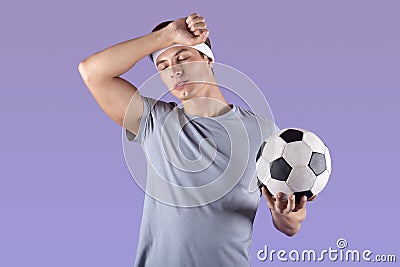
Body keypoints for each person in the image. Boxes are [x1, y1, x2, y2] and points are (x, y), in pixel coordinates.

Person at [78, 12, 316, 266]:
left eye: (183, 58)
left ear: (208, 59)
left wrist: (287, 214)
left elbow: (289, 226)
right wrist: (168, 35)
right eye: (163, 66)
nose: (175, 71)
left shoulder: (262, 131)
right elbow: (91, 72)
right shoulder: (153, 122)